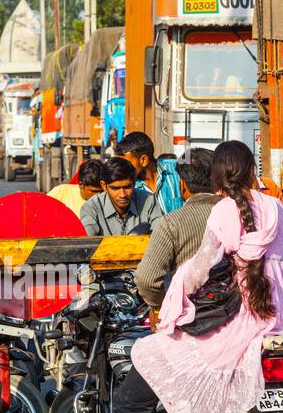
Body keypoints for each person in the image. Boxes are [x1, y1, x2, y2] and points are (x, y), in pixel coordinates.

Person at [76, 139, 283, 413]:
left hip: (231, 328)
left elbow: (199, 269)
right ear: (250, 171)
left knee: (139, 380)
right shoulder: (276, 207)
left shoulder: (218, 212)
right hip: (274, 322)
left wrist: (175, 304)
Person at [133, 148, 219, 309]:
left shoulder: (171, 223)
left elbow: (146, 280)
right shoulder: (240, 214)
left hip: (189, 314)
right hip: (237, 313)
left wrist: (163, 306)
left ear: (182, 185)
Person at [79, 156, 162, 236]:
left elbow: (159, 237)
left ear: (134, 183)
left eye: (127, 187)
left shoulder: (149, 200)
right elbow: (86, 242)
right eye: (115, 188)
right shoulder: (91, 208)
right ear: (104, 186)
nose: (122, 195)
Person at [119, 131, 183, 215]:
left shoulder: (177, 170)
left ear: (144, 160)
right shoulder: (127, 187)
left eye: (126, 163)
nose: (122, 167)